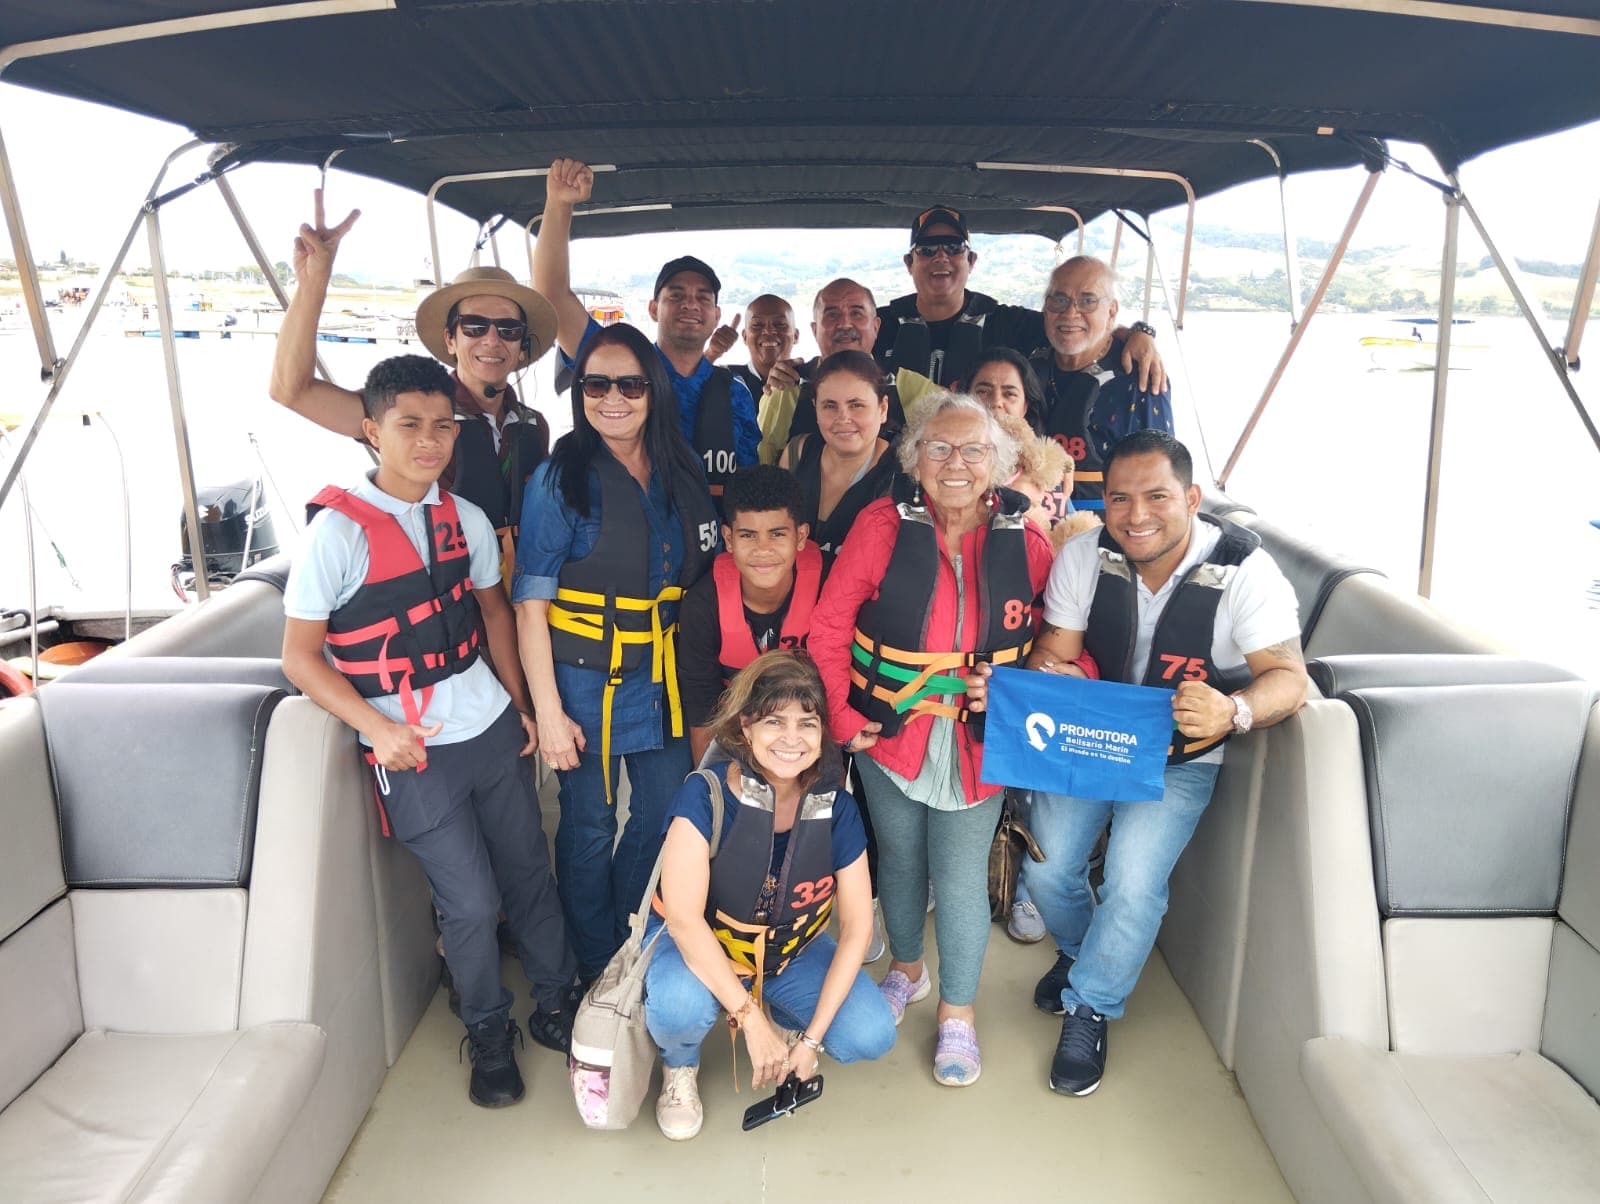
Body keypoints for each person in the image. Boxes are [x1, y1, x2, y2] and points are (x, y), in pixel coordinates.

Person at [281, 355, 575, 1110]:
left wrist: (522, 707)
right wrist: (375, 728)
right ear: (372, 430)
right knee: (471, 903)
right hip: (412, 749)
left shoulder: (465, 518)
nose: (429, 441)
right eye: (409, 425)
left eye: (442, 425)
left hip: (488, 726)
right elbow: (301, 657)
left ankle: (555, 999)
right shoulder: (336, 535)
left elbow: (494, 614)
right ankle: (485, 1028)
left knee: (528, 874)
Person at [972, 429, 1306, 1097]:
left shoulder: (1246, 571)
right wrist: (1050, 669)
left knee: (1130, 881)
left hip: (1183, 753)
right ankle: (1081, 952)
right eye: (1119, 498)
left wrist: (1232, 710)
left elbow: (1288, 678)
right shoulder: (1086, 554)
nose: (1136, 515)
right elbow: (1055, 648)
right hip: (1092, 738)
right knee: (1045, 867)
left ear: (1191, 497)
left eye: (1157, 497)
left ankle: (1091, 1004)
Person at [809, 393, 1054, 1086]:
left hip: (979, 748)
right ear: (914, 457)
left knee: (958, 877)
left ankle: (958, 1013)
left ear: (999, 463)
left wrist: (1012, 693)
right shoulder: (880, 527)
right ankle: (907, 971)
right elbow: (830, 630)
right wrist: (840, 716)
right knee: (901, 863)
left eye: (974, 450)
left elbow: (1065, 651)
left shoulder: (1029, 543)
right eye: (939, 449)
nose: (956, 464)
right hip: (889, 736)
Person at [512, 322, 721, 983]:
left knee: (661, 812)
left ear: (654, 390)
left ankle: (632, 931)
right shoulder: (560, 479)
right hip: (583, 682)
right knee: (589, 823)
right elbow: (529, 606)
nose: (612, 398)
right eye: (595, 384)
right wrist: (547, 711)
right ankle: (596, 958)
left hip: (662, 677)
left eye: (629, 384)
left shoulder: (679, 468)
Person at [645, 652, 895, 1140]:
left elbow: (857, 930)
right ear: (746, 727)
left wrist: (813, 1039)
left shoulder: (837, 810)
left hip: (786, 951)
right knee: (678, 1006)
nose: (791, 738)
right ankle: (679, 1065)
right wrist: (749, 1022)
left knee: (872, 1033)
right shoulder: (705, 796)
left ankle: (785, 1017)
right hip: (701, 946)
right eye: (774, 721)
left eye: (807, 722)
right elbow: (682, 920)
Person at [269, 192, 558, 576]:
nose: (492, 340)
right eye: (474, 326)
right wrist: (313, 283)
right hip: (439, 591)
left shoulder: (533, 425)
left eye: (508, 329)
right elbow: (292, 391)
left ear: (522, 347)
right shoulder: (407, 409)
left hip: (512, 595)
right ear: (450, 339)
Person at [534, 158, 760, 506]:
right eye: (676, 295)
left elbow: (748, 484)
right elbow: (552, 297)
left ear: (716, 316)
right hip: (627, 535)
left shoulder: (736, 395)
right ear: (654, 309)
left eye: (703, 297)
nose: (691, 304)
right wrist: (559, 204)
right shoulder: (620, 368)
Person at [873, 206, 1164, 392]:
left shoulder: (1009, 323)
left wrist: (1140, 333)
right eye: (926, 249)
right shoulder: (880, 325)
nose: (940, 257)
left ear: (971, 260)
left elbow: (1075, 325)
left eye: (953, 247)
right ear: (909, 263)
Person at [676, 465, 821, 764]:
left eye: (777, 534)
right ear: (728, 539)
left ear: (801, 536)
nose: (763, 549)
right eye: (748, 535)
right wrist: (710, 792)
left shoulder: (830, 585)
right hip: (736, 739)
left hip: (810, 742)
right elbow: (703, 716)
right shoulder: (704, 605)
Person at [1030, 255, 1175, 515]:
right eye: (1059, 299)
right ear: (1045, 308)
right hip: (1030, 523)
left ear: (1111, 312)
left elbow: (1161, 479)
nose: (1070, 312)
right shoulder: (1029, 359)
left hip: (1103, 530)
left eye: (1088, 301)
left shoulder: (1140, 377)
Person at [756, 279, 936, 464]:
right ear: (815, 329)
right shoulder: (787, 385)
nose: (845, 324)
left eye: (856, 313)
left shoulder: (906, 385)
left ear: (876, 326)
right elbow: (766, 460)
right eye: (832, 315)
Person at [778, 349, 898, 565]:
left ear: (883, 409)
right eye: (830, 406)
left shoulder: (900, 473)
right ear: (815, 408)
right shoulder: (797, 452)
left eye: (856, 405)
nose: (843, 419)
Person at [709, 294, 798, 405]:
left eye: (779, 324)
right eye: (757, 325)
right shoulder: (726, 379)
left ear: (796, 335)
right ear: (745, 337)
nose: (769, 330)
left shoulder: (812, 384)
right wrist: (711, 354)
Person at [970, 346, 1047, 435]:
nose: (996, 402)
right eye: (983, 392)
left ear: (1026, 406)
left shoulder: (1038, 449)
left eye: (1010, 394)